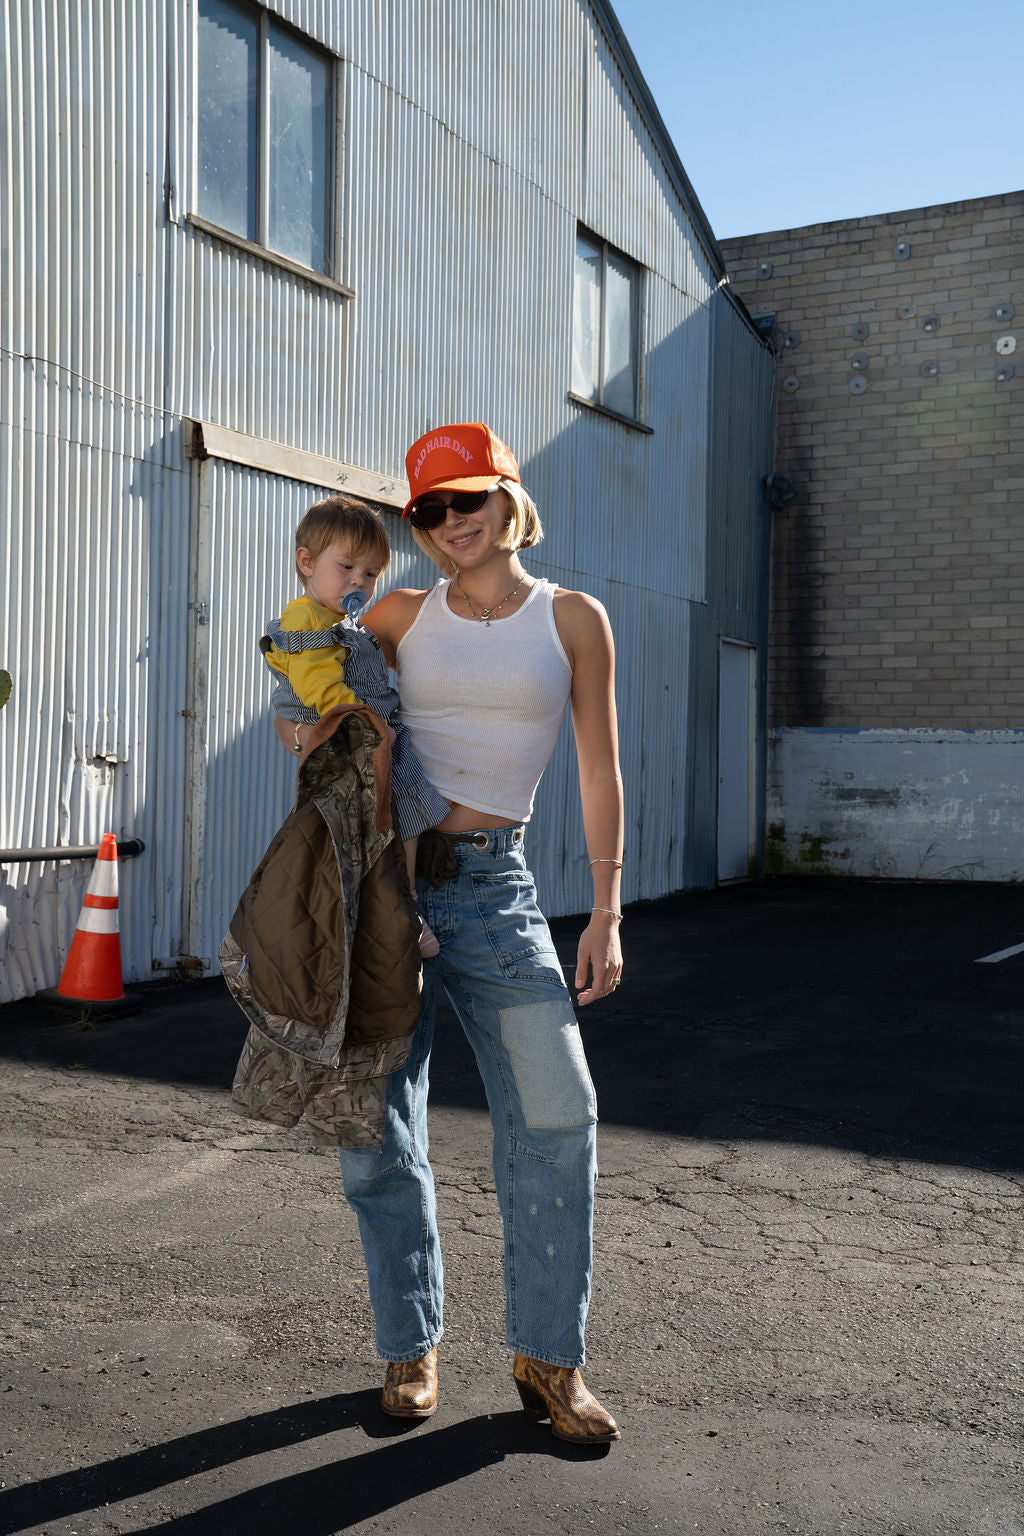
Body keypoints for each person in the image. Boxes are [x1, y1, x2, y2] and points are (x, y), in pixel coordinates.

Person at [287, 423, 625, 1445]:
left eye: (463, 501)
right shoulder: (396, 613)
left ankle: (547, 1356)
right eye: (427, 510)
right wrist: (306, 727)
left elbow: (599, 767)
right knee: (379, 1124)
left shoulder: (572, 619)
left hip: (495, 889)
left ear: (507, 500)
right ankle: (410, 1343)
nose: (445, 524)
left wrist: (606, 910)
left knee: (558, 1110)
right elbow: (318, 684)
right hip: (383, 884)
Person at [263, 496, 450, 957]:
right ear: (305, 562)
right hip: (348, 733)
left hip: (361, 731)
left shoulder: (341, 620)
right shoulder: (307, 618)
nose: (358, 582)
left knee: (388, 817)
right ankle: (402, 906)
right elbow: (317, 683)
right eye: (346, 567)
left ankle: (393, 902)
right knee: (395, 810)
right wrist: (366, 722)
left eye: (369, 574)